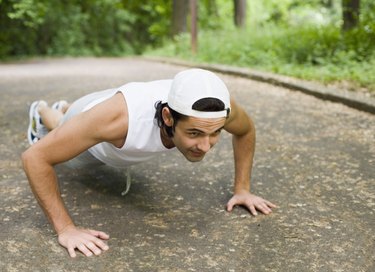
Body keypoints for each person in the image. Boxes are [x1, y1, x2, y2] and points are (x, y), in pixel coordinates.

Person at [22, 68, 276, 258]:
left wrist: (242, 189)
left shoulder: (215, 109)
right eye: (194, 134)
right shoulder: (116, 120)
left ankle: (66, 112)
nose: (205, 146)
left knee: (77, 124)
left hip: (109, 103)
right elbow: (35, 158)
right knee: (63, 137)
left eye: (215, 133)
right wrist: (66, 229)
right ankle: (44, 110)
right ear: (168, 116)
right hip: (95, 120)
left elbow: (246, 130)